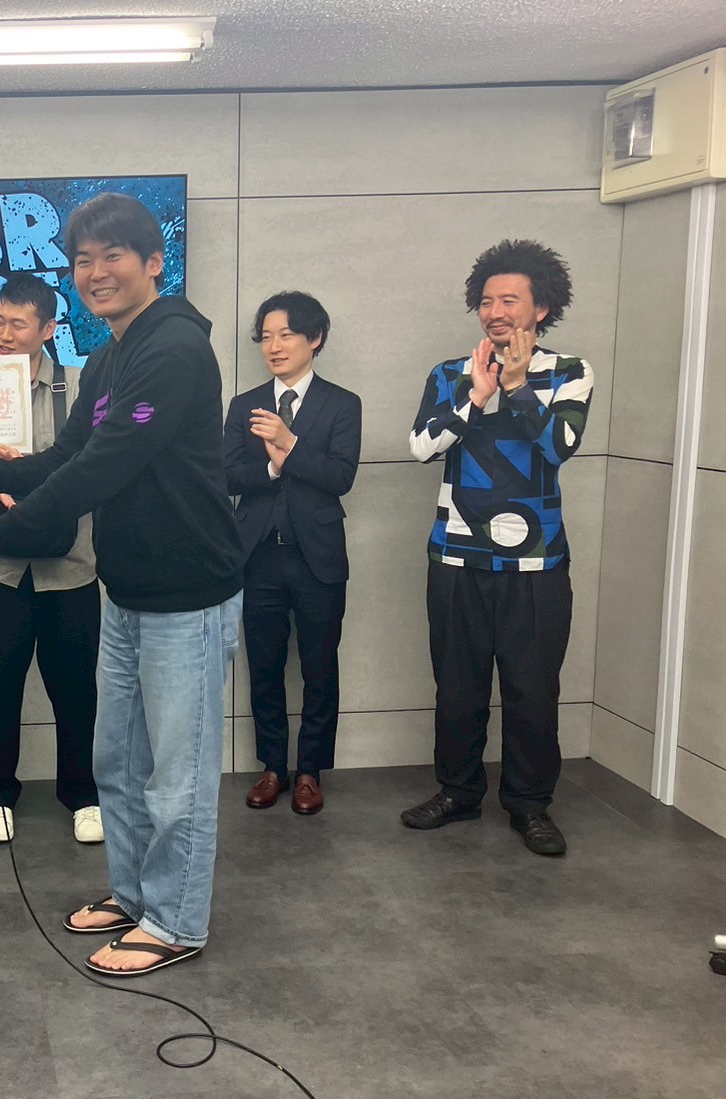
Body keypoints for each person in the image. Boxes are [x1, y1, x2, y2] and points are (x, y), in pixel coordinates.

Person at [0, 193, 243, 978]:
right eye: (82, 259)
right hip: (127, 588)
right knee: (118, 761)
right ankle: (137, 895)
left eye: (112, 255)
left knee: (176, 776)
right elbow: (69, 452)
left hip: (188, 593)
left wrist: (0, 530)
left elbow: (106, 465)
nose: (95, 272)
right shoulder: (111, 355)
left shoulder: (173, 348)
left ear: (153, 262)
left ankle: (175, 922)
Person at [401, 240, 592, 857]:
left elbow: (559, 447)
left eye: (510, 300)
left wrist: (517, 384)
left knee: (532, 689)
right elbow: (421, 447)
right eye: (487, 301)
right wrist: (479, 394)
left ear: (541, 308)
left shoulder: (570, 372)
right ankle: (458, 792)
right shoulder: (449, 374)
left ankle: (530, 805)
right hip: (455, 556)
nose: (495, 311)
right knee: (457, 687)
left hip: (536, 562)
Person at [0, 273, 101, 844]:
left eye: (18, 324)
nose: (3, 334)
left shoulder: (79, 387)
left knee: (77, 690)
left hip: (70, 566)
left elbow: (94, 469)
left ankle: (84, 795)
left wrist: (28, 482)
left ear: (48, 329)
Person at [224, 292, 361, 815]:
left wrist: (290, 443)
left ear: (314, 338)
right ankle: (272, 767)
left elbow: (340, 477)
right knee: (264, 665)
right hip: (258, 556)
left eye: (285, 335)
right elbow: (226, 475)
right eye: (266, 337)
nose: (274, 346)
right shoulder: (244, 405)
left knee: (320, 668)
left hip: (317, 557)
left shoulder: (342, 404)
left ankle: (309, 772)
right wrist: (271, 468)